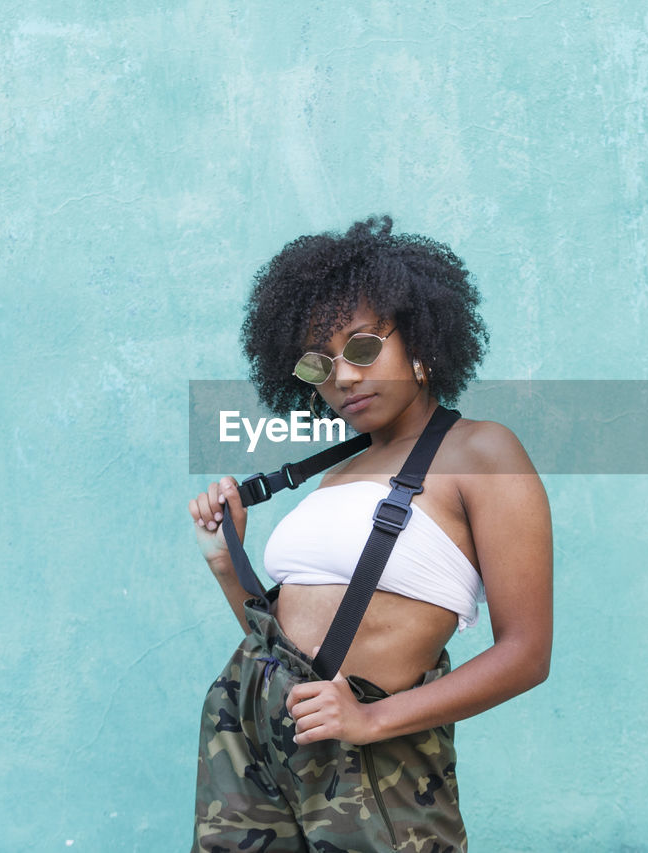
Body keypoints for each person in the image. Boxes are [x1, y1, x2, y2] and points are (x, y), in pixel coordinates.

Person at [188, 215, 552, 852]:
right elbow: (285, 643)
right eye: (319, 364)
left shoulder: (482, 452)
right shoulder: (337, 474)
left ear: (419, 340)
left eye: (361, 349)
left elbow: (526, 653)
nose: (344, 378)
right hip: (248, 736)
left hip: (371, 754)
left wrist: (372, 717)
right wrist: (227, 563)